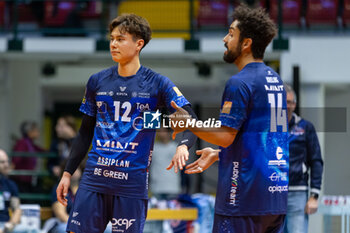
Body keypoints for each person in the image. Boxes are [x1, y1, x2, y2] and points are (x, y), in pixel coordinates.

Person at [56, 13, 197, 233]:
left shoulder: (157, 83)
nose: (113, 44)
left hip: (131, 184)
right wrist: (67, 173)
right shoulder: (97, 81)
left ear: (139, 44)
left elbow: (191, 118)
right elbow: (84, 133)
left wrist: (182, 145)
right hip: (94, 179)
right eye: (112, 38)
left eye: (120, 39)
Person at [168, 5, 289, 233]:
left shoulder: (239, 82)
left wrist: (189, 124)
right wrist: (221, 154)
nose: (225, 39)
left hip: (243, 199)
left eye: (231, 34)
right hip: (275, 199)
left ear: (246, 43)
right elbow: (262, 139)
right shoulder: (275, 80)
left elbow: (225, 136)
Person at [283, 84, 324, 233]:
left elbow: (316, 161)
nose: (286, 106)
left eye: (289, 102)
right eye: (283, 102)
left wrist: (314, 195)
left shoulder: (306, 127)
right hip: (272, 194)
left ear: (294, 104)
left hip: (298, 194)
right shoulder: (267, 128)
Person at [12, 121, 45, 192]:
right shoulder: (22, 143)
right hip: (21, 179)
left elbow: (42, 151)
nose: (38, 133)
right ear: (29, 132)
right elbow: (16, 159)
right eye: (36, 130)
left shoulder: (30, 143)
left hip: (28, 179)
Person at [150, 127, 181, 200]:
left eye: (164, 131)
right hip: (156, 187)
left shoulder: (176, 147)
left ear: (169, 133)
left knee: (173, 211)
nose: (161, 134)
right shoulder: (153, 148)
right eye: (159, 131)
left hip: (172, 187)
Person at [0, 149, 22, 233]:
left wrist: (10, 225)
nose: (6, 165)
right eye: (2, 162)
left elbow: (17, 210)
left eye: (7, 161)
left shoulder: (10, 184)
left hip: (6, 225)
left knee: (32, 230)